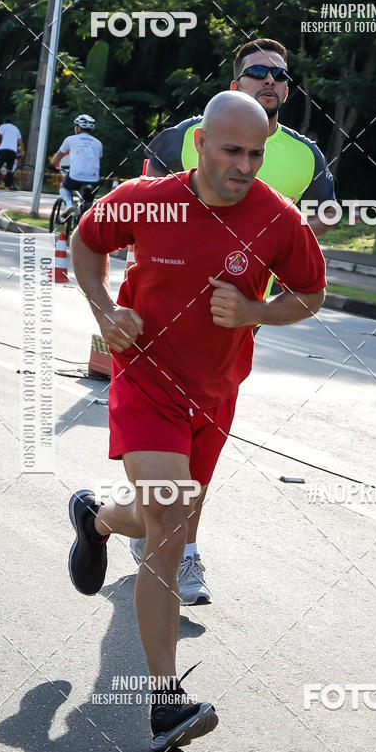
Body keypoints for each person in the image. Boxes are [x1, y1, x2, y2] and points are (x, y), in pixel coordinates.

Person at [69, 91, 326, 752]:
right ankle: (165, 702)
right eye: (233, 150)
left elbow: (310, 293)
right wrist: (105, 311)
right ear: (201, 145)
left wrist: (256, 313)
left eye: (256, 154)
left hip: (214, 396)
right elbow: (85, 242)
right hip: (146, 381)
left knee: (159, 516)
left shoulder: (278, 218)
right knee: (172, 520)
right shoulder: (146, 200)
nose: (245, 166)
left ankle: (96, 520)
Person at [134, 38, 336, 600]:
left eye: (280, 75)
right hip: (159, 319)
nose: (270, 80)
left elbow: (320, 221)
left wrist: (269, 252)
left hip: (234, 322)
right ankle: (175, 544)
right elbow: (140, 205)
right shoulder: (183, 137)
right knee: (169, 442)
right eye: (258, 72)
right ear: (234, 82)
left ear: (287, 91)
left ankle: (153, 533)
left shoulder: (304, 156)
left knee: (201, 444)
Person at [51, 114, 103, 217]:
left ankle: (69, 205)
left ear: (78, 128)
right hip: (94, 179)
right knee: (88, 203)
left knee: (64, 186)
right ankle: (86, 218)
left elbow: (59, 154)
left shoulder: (70, 139)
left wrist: (51, 165)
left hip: (76, 176)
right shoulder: (98, 143)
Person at [0, 118, 25, 189]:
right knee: (9, 169)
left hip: (3, 150)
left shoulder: (3, 126)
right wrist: (22, 152)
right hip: (13, 151)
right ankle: (7, 186)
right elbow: (20, 142)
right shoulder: (16, 129)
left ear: (4, 122)